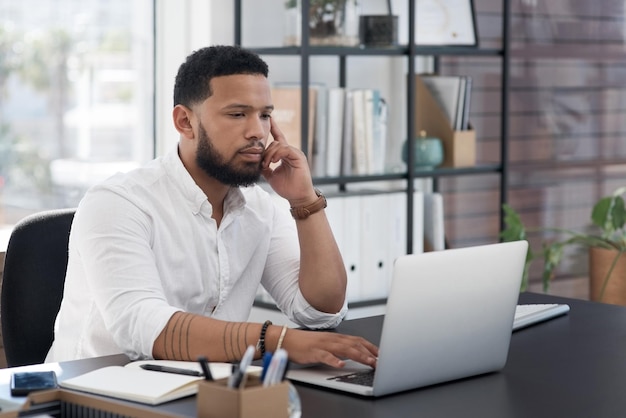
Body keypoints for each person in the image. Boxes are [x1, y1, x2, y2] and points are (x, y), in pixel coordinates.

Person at [46, 45, 378, 370]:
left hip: (202, 391)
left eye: (265, 116)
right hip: (92, 394)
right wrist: (277, 340)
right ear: (185, 122)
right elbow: (141, 326)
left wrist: (305, 201)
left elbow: (320, 311)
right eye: (237, 114)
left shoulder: (261, 208)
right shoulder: (118, 202)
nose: (257, 132)